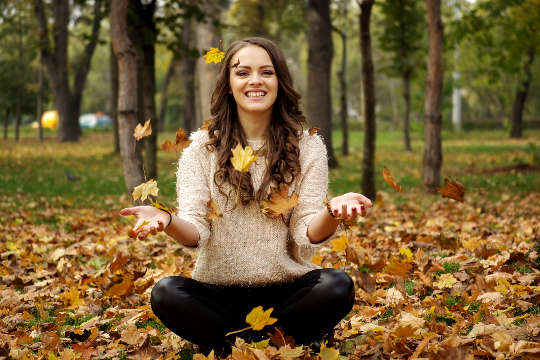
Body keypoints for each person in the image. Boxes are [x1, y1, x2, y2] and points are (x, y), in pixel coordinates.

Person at [120, 37, 372, 356]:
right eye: (243, 73)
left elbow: (307, 231)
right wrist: (168, 220)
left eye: (266, 72)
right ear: (228, 84)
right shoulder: (201, 149)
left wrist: (333, 211)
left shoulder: (308, 147)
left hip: (287, 294)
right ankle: (260, 346)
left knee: (337, 286)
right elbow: (196, 232)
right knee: (166, 293)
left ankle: (250, 345)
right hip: (218, 295)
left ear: (279, 81)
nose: (255, 80)